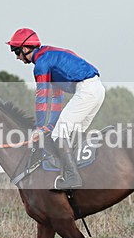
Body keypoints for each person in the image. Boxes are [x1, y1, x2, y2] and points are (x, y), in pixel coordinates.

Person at [6, 27, 105, 189]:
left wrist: (39, 128)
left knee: (60, 134)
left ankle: (73, 177)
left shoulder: (41, 65)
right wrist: (50, 125)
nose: (17, 57)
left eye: (16, 51)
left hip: (86, 91)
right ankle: (81, 174)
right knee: (72, 135)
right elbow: (57, 99)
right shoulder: (49, 56)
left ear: (25, 48)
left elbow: (42, 99)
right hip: (97, 90)